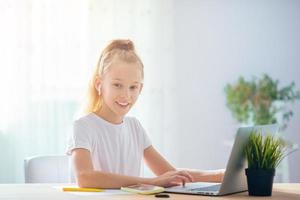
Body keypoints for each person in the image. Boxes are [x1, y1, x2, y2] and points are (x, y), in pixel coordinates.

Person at [66, 39, 224, 189]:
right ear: (99, 84)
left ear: (140, 89)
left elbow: (170, 174)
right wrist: (151, 182)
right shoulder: (83, 126)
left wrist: (220, 175)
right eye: (117, 85)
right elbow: (85, 177)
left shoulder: (134, 126)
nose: (126, 95)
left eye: (133, 87)